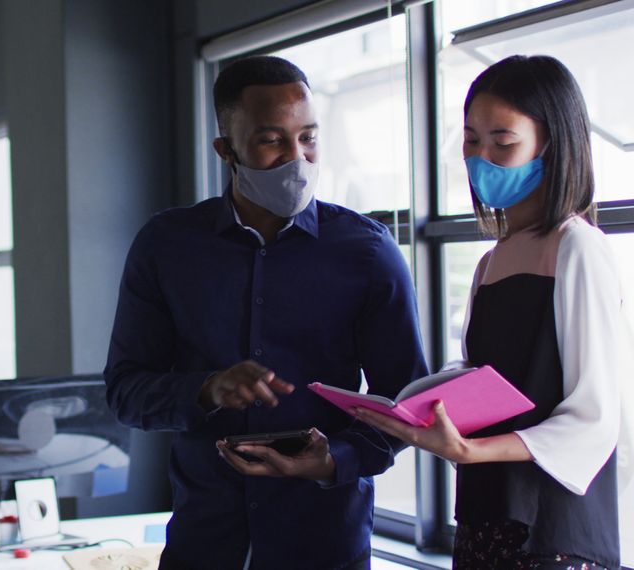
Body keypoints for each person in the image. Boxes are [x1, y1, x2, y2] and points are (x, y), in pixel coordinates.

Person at [104, 56, 428, 570]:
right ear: (226, 150)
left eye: (309, 138)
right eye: (272, 140)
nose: (296, 159)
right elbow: (125, 392)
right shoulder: (166, 247)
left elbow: (406, 401)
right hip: (203, 543)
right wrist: (206, 389)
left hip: (325, 545)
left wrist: (336, 458)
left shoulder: (367, 251)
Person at [353, 55, 621, 569]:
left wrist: (474, 451)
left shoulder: (577, 248)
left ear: (553, 144)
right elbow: (490, 386)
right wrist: (420, 410)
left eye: (503, 142)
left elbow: (593, 419)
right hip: (483, 518)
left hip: (551, 529)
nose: (482, 159)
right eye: (473, 140)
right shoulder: (490, 262)